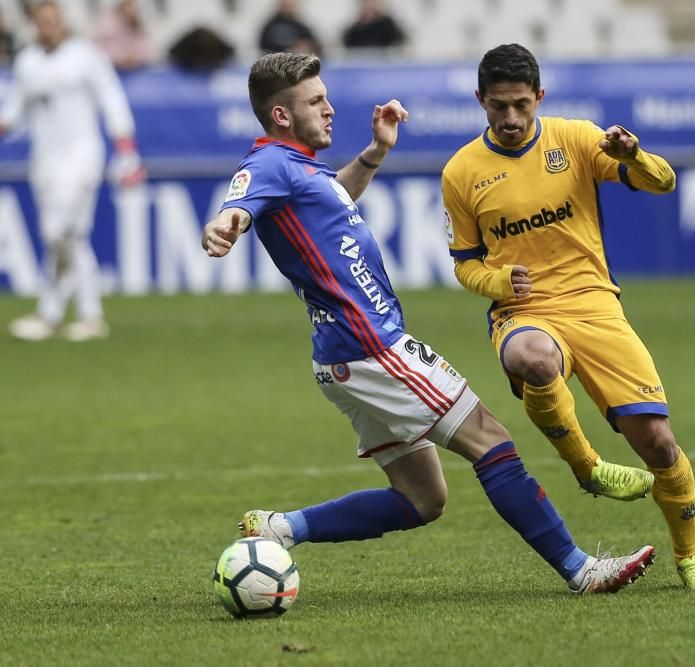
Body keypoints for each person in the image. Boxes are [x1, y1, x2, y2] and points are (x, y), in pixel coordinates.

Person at [201, 52, 656, 595]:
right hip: (373, 346)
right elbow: (240, 202)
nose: (329, 108)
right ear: (281, 115)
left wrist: (373, 154)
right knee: (491, 439)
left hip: (342, 357)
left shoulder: (300, 167)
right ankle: (582, 570)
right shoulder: (271, 163)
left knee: (423, 499)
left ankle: (281, 528)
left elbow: (332, 201)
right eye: (316, 101)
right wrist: (225, 225)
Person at [440, 43, 695, 589]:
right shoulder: (460, 171)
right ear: (480, 100)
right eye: (498, 106)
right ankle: (588, 468)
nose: (510, 118)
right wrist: (499, 282)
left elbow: (663, 183)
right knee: (532, 357)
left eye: (521, 104)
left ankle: (691, 558)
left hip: (595, 304)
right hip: (523, 311)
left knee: (659, 443)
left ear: (539, 96)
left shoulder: (574, 138)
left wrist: (633, 154)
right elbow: (465, 265)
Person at [1, 0, 145, 342]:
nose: (48, 27)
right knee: (67, 239)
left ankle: (63, 313)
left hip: (82, 158)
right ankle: (74, 316)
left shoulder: (85, 56)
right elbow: (15, 111)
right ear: (34, 25)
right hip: (45, 163)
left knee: (61, 232)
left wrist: (126, 152)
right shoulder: (28, 62)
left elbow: (112, 99)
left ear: (61, 21)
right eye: (42, 22)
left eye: (53, 20)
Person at [91, 0, 154, 70]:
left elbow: (148, 51)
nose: (131, 9)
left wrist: (134, 58)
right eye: (128, 4)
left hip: (136, 71)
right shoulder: (107, 22)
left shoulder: (138, 24)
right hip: (111, 70)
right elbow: (95, 47)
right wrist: (120, 57)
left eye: (132, 5)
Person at [341, 0, 406, 50]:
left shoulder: (387, 24)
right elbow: (347, 43)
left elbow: (400, 39)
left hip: (383, 61)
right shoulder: (357, 27)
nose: (371, 5)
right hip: (361, 60)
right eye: (368, 2)